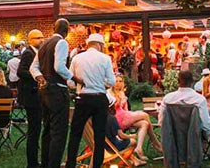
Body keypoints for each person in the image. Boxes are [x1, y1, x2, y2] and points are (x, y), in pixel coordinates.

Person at [160, 70, 210, 166]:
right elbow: (205, 121)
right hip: (195, 134)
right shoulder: (198, 99)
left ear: (178, 81)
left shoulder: (167, 99)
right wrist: (208, 134)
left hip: (173, 133)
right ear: (192, 82)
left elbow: (162, 119)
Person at [65, 33, 116, 168]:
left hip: (83, 98)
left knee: (75, 133)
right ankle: (97, 165)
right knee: (99, 136)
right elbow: (111, 81)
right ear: (99, 45)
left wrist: (80, 84)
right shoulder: (105, 59)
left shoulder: (77, 58)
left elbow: (69, 82)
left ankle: (70, 164)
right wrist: (101, 84)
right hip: (99, 98)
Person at [29, 18, 75, 168]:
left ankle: (45, 163)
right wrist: (73, 78)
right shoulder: (61, 43)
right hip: (58, 91)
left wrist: (41, 78)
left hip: (44, 92)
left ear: (53, 28)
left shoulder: (43, 45)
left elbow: (33, 67)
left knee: (47, 129)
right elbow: (59, 66)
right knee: (59, 132)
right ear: (66, 31)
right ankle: (53, 164)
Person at [109, 73, 162, 160]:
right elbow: (110, 110)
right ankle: (156, 143)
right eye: (116, 81)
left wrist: (131, 118)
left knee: (144, 123)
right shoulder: (109, 93)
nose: (118, 83)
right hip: (116, 120)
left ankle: (139, 148)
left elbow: (126, 110)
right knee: (145, 115)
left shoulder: (122, 93)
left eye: (120, 81)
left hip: (124, 116)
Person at [18, 29, 44, 168]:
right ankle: (32, 163)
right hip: (31, 97)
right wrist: (37, 76)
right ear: (30, 40)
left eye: (42, 37)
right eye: (38, 37)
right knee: (34, 131)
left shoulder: (36, 52)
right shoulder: (28, 53)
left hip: (35, 96)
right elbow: (21, 71)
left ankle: (34, 161)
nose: (41, 39)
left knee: (35, 130)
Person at [106, 96, 147, 167]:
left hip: (102, 145)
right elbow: (121, 135)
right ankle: (124, 161)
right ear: (111, 106)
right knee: (133, 142)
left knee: (121, 140)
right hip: (112, 147)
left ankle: (135, 160)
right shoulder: (111, 119)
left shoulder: (97, 117)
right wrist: (131, 136)